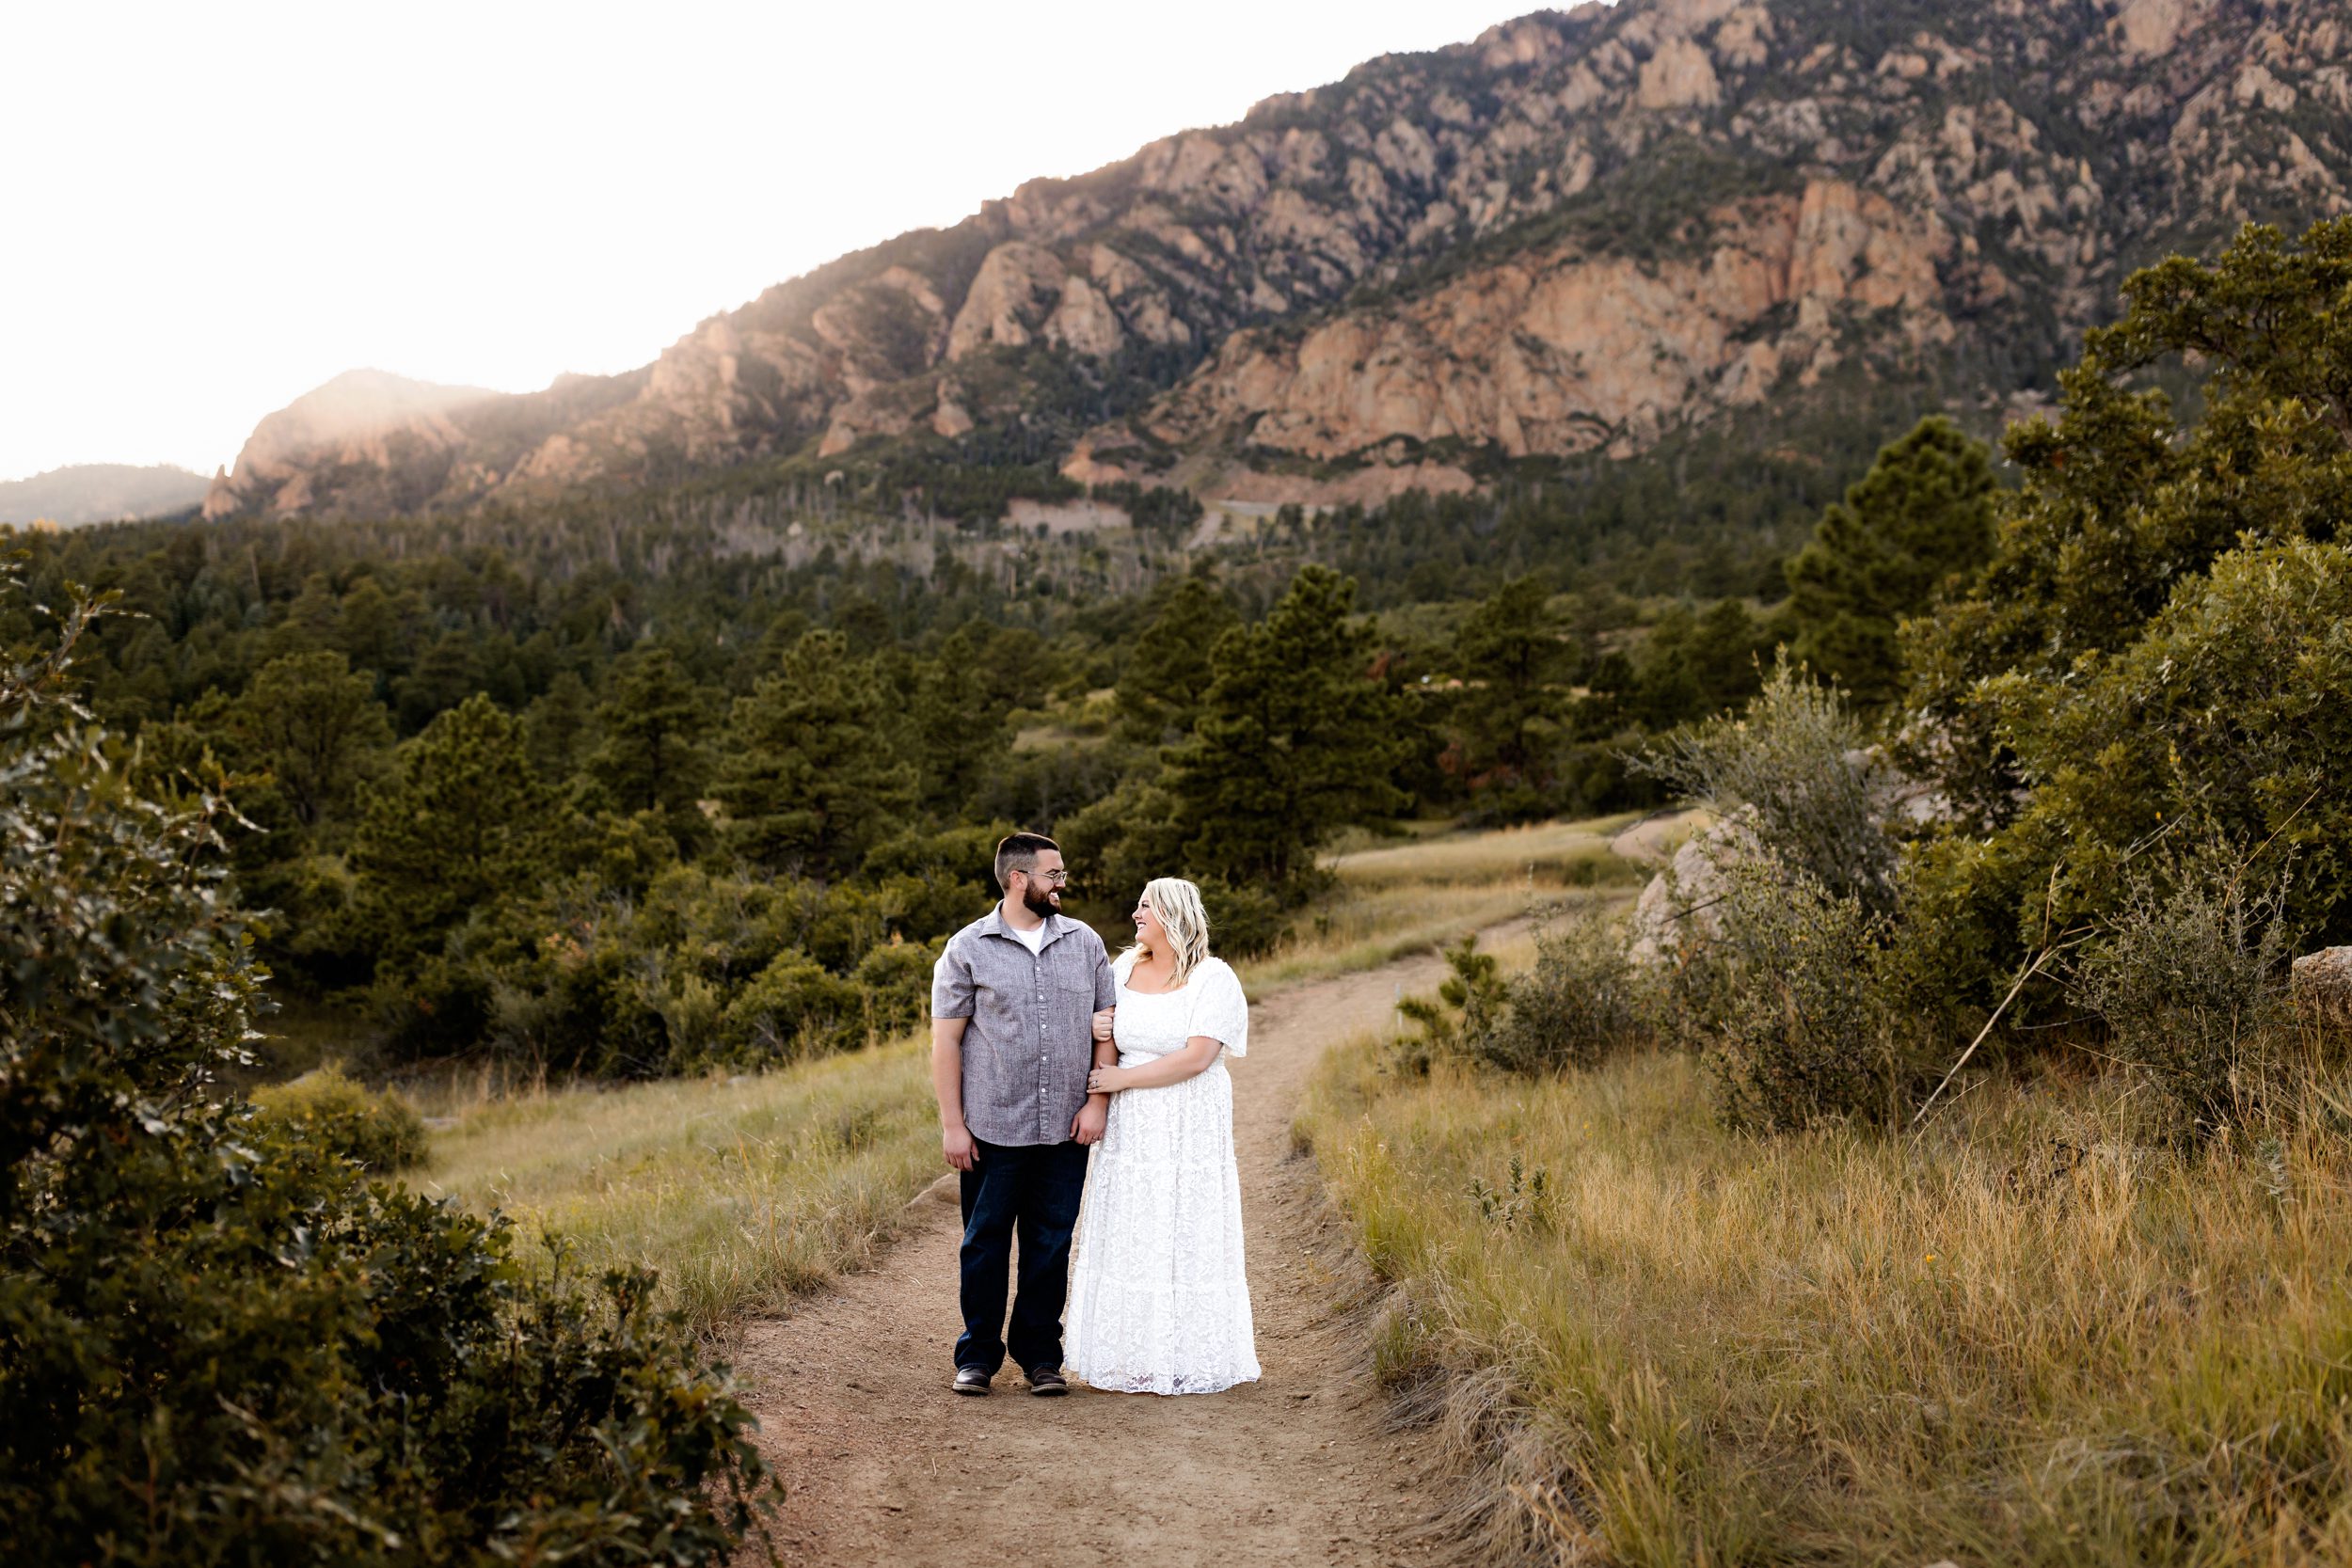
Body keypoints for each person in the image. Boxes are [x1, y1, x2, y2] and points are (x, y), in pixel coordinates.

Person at [929, 832, 1118, 1397]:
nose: (1062, 883)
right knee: (984, 1242)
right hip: (993, 1127)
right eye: (1053, 874)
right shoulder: (966, 949)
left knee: (1051, 1242)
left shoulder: (1085, 943)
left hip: (1066, 1125)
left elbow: (1109, 1027)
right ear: (1019, 879)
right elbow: (946, 1044)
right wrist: (953, 1123)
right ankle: (978, 1356)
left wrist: (1097, 1101)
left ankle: (1040, 1355)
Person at [1064, 876, 1261, 1395]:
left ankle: (1185, 1355)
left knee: (1183, 1228)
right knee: (1134, 1226)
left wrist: (1120, 1080)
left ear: (1172, 912)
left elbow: (1198, 1056)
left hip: (1188, 1120)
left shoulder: (1212, 977)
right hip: (1132, 1128)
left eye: (1145, 905)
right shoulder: (1122, 968)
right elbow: (1106, 1039)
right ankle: (1130, 1355)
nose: (1136, 913)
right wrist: (1100, 1093)